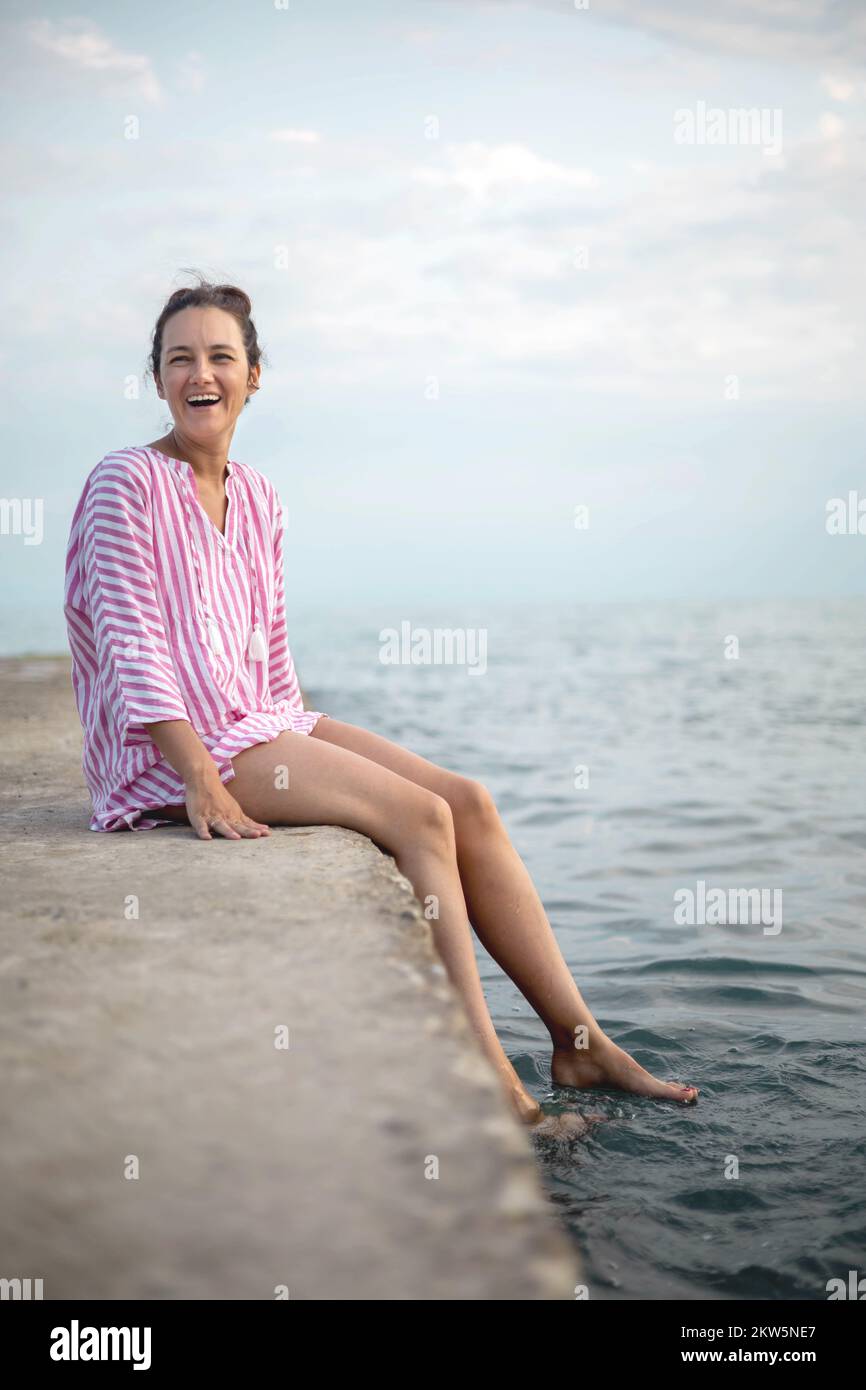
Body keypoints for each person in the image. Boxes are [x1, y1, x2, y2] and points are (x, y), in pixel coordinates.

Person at [64, 275, 699, 1132]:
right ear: (158, 378)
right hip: (175, 752)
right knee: (420, 819)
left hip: (258, 720)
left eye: (221, 356)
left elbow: (270, 654)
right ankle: (495, 1086)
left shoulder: (259, 498)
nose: (200, 374)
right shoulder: (124, 484)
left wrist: (310, 739)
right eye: (180, 359)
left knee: (467, 800)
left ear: (255, 375)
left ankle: (580, 1043)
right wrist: (199, 778)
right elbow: (134, 646)